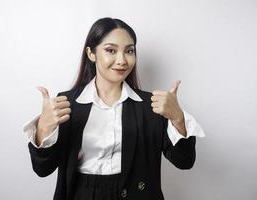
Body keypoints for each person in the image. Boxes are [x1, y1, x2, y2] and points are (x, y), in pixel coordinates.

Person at [22, 17, 205, 200]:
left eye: (129, 51)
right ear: (91, 53)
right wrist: (44, 128)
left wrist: (178, 119)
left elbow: (184, 161)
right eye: (111, 50)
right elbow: (42, 169)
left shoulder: (152, 105)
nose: (122, 60)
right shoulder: (66, 105)